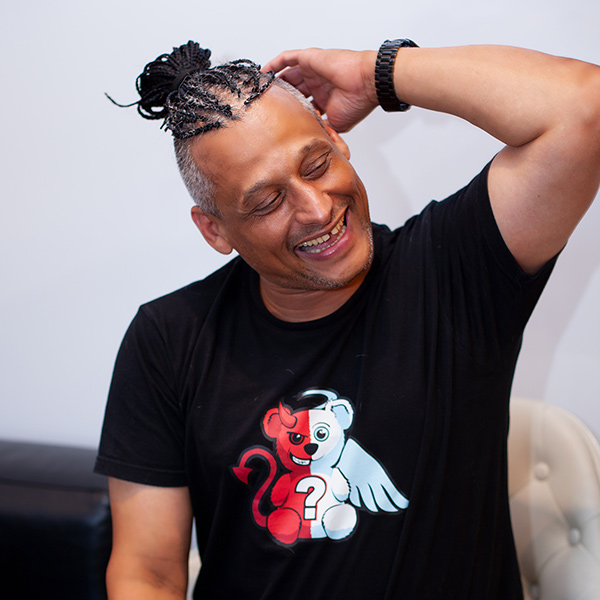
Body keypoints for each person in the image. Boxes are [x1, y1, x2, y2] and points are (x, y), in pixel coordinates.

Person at [95, 39, 600, 599]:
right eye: (267, 202)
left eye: (317, 165)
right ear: (214, 230)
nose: (316, 209)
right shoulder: (169, 337)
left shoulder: (453, 271)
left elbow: (585, 106)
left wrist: (376, 72)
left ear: (337, 139)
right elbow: (147, 572)